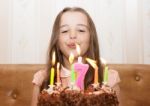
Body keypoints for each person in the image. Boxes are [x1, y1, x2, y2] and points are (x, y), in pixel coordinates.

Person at [31, 7, 120, 106]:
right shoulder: (42, 79)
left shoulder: (108, 79)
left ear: (91, 37)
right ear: (56, 39)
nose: (72, 35)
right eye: (64, 31)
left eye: (81, 30)